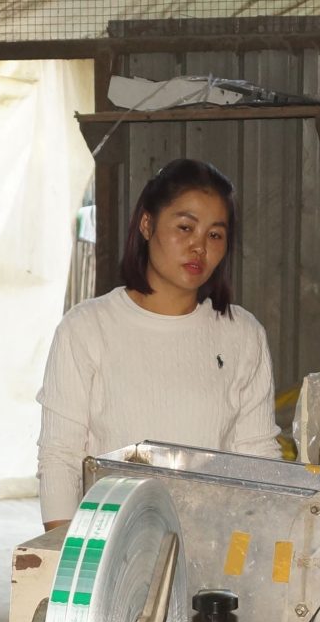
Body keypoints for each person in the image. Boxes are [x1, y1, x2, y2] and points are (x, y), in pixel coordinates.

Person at [35, 157, 280, 528]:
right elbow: (60, 456)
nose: (199, 247)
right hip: (112, 546)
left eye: (215, 235)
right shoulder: (86, 329)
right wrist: (67, 551)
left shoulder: (243, 335)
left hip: (214, 547)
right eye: (185, 227)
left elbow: (258, 458)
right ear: (147, 225)